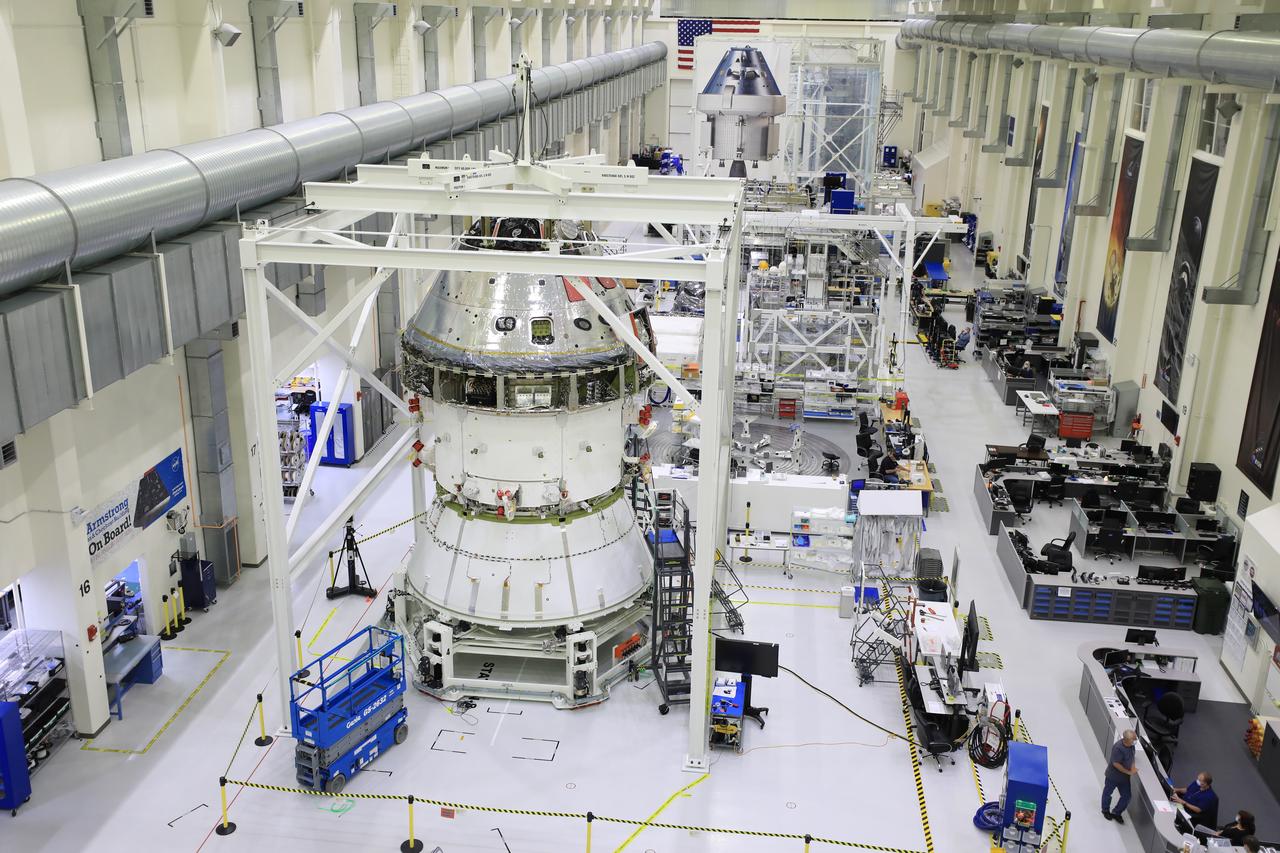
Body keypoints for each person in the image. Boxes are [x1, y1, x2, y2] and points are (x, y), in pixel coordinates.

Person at [1102, 729, 1138, 823]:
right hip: (1113, 776)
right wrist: (1128, 772)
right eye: (1133, 739)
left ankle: (1117, 812)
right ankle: (1105, 810)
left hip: (1124, 778)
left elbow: (1132, 757)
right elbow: (1116, 764)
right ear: (1127, 740)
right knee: (1108, 793)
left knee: (1127, 796)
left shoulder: (1131, 746)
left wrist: (1133, 767)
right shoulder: (1118, 748)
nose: (1135, 740)